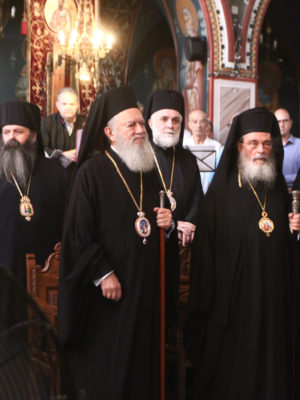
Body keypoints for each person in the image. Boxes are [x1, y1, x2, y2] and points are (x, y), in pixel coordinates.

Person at [58, 86, 175, 400]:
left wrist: (168, 224)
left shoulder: (148, 171)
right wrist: (103, 273)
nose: (140, 130)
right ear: (109, 132)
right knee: (111, 367)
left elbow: (158, 224)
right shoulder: (91, 173)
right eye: (131, 125)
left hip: (146, 289)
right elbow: (77, 233)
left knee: (143, 367)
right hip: (109, 296)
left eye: (141, 123)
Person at [185, 107, 300, 399]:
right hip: (234, 303)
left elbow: (290, 246)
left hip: (273, 300)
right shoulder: (220, 195)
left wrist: (297, 230)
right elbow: (205, 254)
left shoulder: (278, 190)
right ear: (239, 146)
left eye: (266, 143)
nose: (261, 150)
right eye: (253, 143)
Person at [0, 100, 69, 286]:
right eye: (6, 132)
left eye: (18, 132)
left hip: (47, 273)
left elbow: (69, 223)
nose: (11, 137)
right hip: (4, 273)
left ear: (33, 136)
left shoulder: (56, 173)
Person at [144, 90, 203, 248]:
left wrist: (188, 224)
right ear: (150, 123)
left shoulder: (188, 159)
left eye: (175, 120)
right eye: (164, 119)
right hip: (151, 243)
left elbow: (198, 199)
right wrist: (174, 224)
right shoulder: (138, 159)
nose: (170, 125)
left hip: (183, 243)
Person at [40, 87, 86, 163]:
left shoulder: (85, 122)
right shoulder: (47, 122)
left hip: (80, 167)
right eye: (64, 104)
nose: (68, 108)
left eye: (72, 104)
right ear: (57, 105)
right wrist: (62, 155)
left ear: (77, 105)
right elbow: (41, 148)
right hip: (55, 166)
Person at [183, 111, 223, 193]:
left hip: (210, 192)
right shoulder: (184, 146)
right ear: (189, 124)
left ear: (207, 124)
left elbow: (219, 173)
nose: (199, 125)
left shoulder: (216, 146)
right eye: (195, 122)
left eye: (202, 121)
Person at [275, 108, 300, 190]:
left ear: (290, 123)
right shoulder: (268, 145)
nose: (281, 124)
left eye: (285, 121)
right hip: (274, 192)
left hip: (297, 191)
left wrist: (280, 179)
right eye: (278, 121)